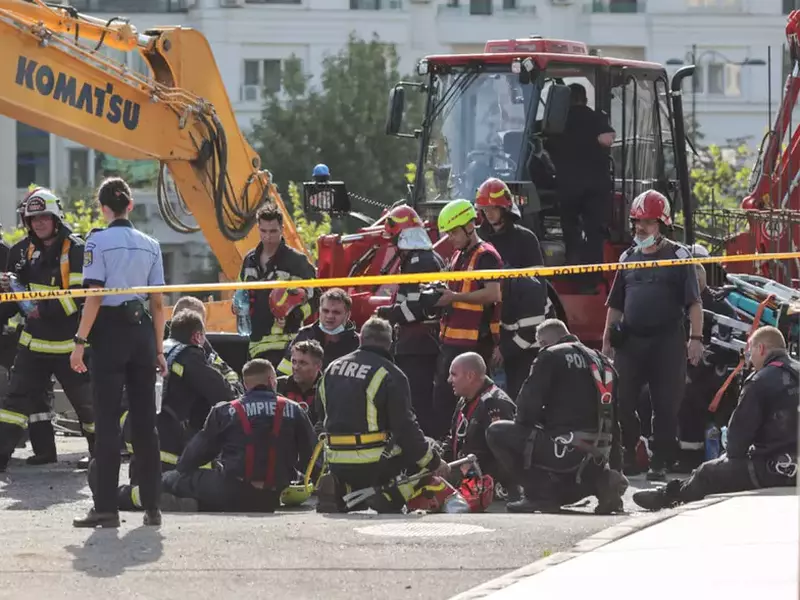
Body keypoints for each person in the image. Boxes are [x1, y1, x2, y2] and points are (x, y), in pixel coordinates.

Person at [71, 177, 167, 529]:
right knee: (145, 423)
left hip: (109, 332)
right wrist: (159, 348)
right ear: (130, 205)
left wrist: (79, 342)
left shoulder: (97, 240)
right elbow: (158, 303)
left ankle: (106, 509)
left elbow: (94, 295)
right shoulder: (151, 244)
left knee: (108, 422)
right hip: (141, 331)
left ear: (103, 207)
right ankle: (153, 507)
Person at [634, 326, 798, 510]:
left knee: (707, 471)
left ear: (761, 349)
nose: (749, 360)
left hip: (773, 469)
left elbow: (736, 445)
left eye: (750, 352)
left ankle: (667, 497)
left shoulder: (760, 381)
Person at [602, 190, 703, 480]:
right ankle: (634, 452)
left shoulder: (678, 256)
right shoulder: (627, 257)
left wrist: (695, 340)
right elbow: (615, 305)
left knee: (665, 406)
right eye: (637, 222)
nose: (640, 228)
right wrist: (607, 343)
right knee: (620, 402)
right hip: (631, 342)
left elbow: (694, 303)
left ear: (662, 224)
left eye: (647, 222)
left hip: (667, 342)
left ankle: (660, 462)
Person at [486, 319, 627, 514]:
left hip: (563, 453)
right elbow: (616, 422)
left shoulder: (550, 355)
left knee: (497, 431)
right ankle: (602, 483)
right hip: (596, 459)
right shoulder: (605, 363)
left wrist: (532, 428)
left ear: (543, 343)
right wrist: (616, 469)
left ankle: (538, 495)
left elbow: (526, 409)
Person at [0, 188, 95, 472]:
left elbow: (79, 296)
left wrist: (43, 308)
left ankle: (101, 456)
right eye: (33, 218)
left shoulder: (76, 250)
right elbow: (17, 300)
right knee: (14, 404)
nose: (39, 223)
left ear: (56, 218)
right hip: (32, 344)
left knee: (87, 407)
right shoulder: (20, 251)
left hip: (69, 345)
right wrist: (9, 291)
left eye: (44, 217)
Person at [314, 317, 450, 513]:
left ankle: (342, 489)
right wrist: (435, 461)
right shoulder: (391, 373)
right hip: (374, 464)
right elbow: (405, 428)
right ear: (391, 342)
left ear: (361, 338)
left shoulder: (331, 368)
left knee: (362, 463)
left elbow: (321, 415)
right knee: (426, 451)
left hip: (335, 460)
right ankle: (387, 496)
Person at [161, 358, 316, 513]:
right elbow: (311, 455)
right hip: (274, 494)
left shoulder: (225, 411)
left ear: (244, 384)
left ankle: (151, 498)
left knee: (174, 478)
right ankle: (199, 504)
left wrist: (181, 471)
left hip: (231, 491)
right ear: (271, 380)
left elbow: (194, 456)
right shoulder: (295, 410)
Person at [431, 199, 503, 439]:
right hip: (452, 339)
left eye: (453, 232)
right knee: (443, 399)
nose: (450, 238)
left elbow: (493, 293)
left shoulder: (486, 256)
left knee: (460, 402)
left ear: (470, 227)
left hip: (473, 341)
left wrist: (453, 297)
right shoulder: (458, 255)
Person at [376, 205, 445, 436]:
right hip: (413, 344)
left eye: (395, 239)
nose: (394, 245)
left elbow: (417, 308)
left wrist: (388, 313)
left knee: (418, 402)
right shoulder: (419, 259)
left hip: (419, 346)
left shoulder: (421, 261)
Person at [546, 83, 615, 284]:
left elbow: (546, 145)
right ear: (584, 99)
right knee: (594, 230)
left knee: (570, 228)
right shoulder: (595, 117)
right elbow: (608, 139)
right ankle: (592, 276)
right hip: (596, 185)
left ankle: (571, 267)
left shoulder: (557, 122)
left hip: (568, 185)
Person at [237, 204, 317, 367]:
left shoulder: (296, 262)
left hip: (285, 346)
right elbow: (241, 293)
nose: (267, 237)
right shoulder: (249, 260)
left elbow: (316, 298)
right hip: (255, 345)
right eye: (263, 231)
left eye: (273, 231)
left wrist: (295, 317)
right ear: (258, 229)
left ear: (282, 229)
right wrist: (238, 306)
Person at [445, 352, 517, 502]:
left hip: (489, 490)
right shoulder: (465, 400)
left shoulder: (495, 403)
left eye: (454, 374)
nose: (449, 380)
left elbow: (508, 456)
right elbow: (453, 440)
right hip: (466, 479)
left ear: (470, 376)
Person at [169, 296, 244, 396]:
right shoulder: (191, 356)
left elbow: (220, 364)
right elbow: (225, 394)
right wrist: (237, 390)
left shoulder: (163, 345)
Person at [277, 288, 359, 377]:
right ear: (319, 310)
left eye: (336, 312)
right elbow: (283, 372)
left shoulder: (357, 343)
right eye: (325, 311)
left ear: (347, 315)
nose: (329, 316)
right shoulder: (304, 335)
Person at [277, 339, 323, 424]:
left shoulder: (328, 388)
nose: (296, 367)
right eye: (294, 362)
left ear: (318, 366)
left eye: (303, 363)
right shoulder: (278, 385)